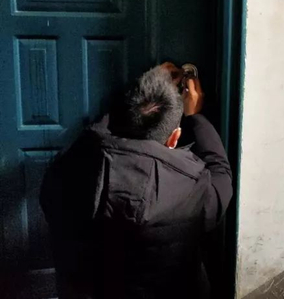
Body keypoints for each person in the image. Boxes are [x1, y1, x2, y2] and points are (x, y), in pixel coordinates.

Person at [41, 64, 233, 299]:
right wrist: (196, 116)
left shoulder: (78, 167)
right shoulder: (193, 184)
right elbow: (221, 174)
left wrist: (136, 100)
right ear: (174, 138)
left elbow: (53, 192)